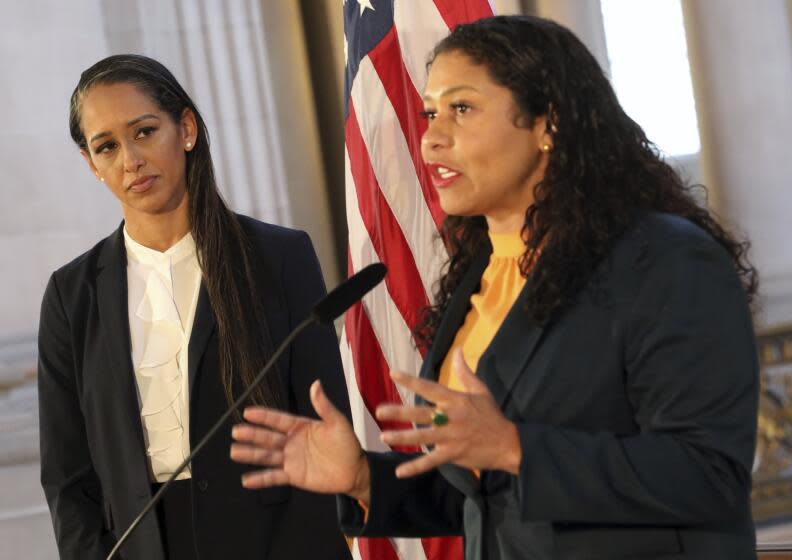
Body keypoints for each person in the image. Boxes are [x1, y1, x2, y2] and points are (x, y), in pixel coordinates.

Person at [230, 15, 761, 560]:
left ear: (547, 124)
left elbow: (708, 474)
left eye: (461, 109)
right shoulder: (479, 274)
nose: (432, 138)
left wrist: (515, 448)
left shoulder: (663, 260)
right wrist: (366, 478)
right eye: (430, 113)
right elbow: (485, 495)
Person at [38, 54, 352, 560]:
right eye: (107, 147)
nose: (130, 161)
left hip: (274, 544)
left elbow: (324, 424)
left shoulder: (278, 257)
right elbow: (68, 476)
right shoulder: (70, 295)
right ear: (90, 164)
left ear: (186, 128)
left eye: (143, 132)